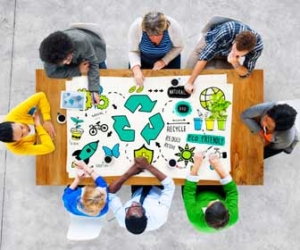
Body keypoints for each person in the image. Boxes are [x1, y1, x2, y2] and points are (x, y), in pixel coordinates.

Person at [184, 20, 263, 94]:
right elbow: (205, 56)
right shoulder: (227, 30)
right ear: (235, 41)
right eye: (234, 50)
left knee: (224, 82)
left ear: (249, 51)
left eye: (238, 55)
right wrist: (190, 82)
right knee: (187, 74)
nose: (234, 54)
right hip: (209, 43)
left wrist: (235, 62)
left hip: (225, 56)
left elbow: (246, 73)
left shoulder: (257, 48)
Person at [108, 157, 175, 234]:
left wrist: (129, 173)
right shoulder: (159, 215)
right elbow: (169, 186)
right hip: (158, 186)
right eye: (136, 206)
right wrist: (147, 166)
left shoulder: (122, 218)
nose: (133, 203)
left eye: (129, 208)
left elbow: (110, 193)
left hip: (138, 190)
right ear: (145, 215)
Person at [39, 27, 106, 103]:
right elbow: (50, 73)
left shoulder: (81, 41)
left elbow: (94, 62)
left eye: (67, 59)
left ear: (71, 51)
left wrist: (94, 90)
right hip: (76, 57)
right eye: (62, 62)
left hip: (94, 49)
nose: (67, 63)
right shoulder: (50, 56)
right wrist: (78, 70)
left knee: (103, 76)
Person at [183, 152, 238, 233]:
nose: (217, 200)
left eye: (212, 202)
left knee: (184, 175)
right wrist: (218, 167)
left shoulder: (195, 217)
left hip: (197, 194)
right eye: (220, 202)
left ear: (205, 211)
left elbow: (188, 192)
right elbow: (232, 192)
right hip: (218, 191)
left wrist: (196, 164)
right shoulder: (233, 216)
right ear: (227, 211)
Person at [128, 11, 184, 86]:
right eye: (150, 35)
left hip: (169, 60)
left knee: (170, 86)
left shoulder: (173, 26)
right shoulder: (136, 26)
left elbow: (179, 46)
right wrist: (136, 69)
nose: (155, 39)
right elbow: (133, 51)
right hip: (142, 60)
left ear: (165, 28)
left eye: (159, 34)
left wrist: (164, 61)